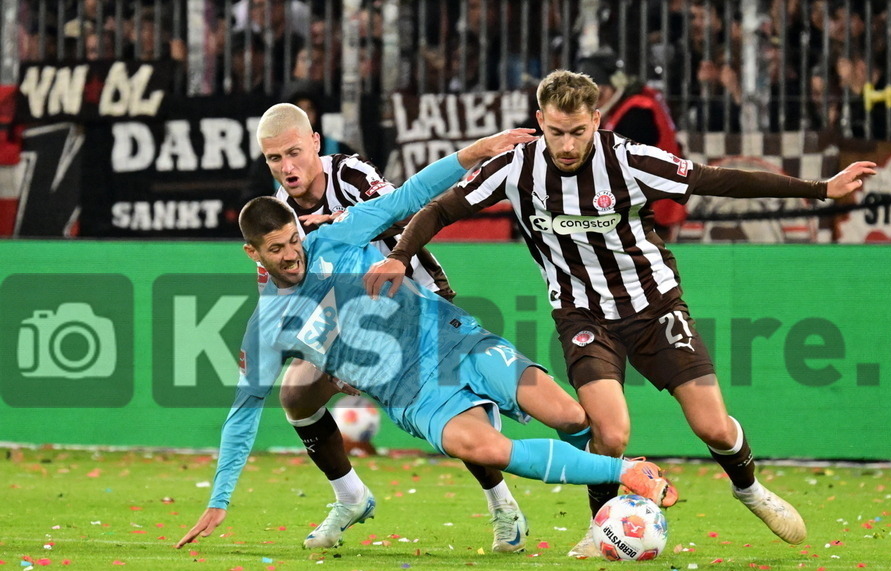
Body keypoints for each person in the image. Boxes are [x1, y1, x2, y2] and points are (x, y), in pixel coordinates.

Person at [364, 69, 877, 557]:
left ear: (597, 119)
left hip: (653, 304)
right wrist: (398, 255)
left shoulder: (629, 160)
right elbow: (440, 209)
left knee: (714, 427)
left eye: (578, 132)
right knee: (609, 433)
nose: (567, 145)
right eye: (557, 132)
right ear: (540, 120)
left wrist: (819, 189)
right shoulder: (516, 165)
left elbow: (715, 180)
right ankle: (599, 529)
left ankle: (750, 490)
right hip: (581, 314)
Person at [174, 138, 677, 549]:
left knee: (569, 416)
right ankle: (627, 472)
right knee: (486, 448)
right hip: (413, 394)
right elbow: (242, 414)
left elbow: (408, 196)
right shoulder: (268, 325)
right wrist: (219, 500)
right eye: (276, 250)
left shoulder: (337, 235)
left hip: (452, 337)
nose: (292, 256)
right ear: (253, 253)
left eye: (294, 241)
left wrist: (476, 151)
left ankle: (601, 519)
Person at [241, 102, 534, 554]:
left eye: (294, 153)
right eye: (275, 159)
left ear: (315, 143)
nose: (287, 167)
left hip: (413, 301)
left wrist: (334, 221)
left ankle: (503, 505)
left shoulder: (350, 174)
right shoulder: (279, 211)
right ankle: (350, 498)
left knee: (454, 422)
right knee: (296, 395)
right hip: (349, 323)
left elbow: (404, 212)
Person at [576, 49, 686, 241]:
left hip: (650, 210)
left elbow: (625, 163)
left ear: (613, 86)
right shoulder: (637, 104)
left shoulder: (637, 112)